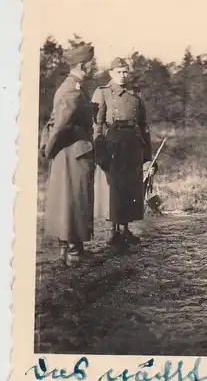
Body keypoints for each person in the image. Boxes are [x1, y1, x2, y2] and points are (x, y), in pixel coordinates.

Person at [41, 44, 95, 266]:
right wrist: (49, 148)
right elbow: (61, 124)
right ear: (83, 65)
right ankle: (73, 252)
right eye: (92, 62)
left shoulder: (71, 86)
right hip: (74, 151)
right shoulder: (73, 89)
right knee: (76, 199)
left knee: (68, 199)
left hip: (68, 151)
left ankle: (69, 249)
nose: (94, 66)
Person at [92, 57, 153, 245]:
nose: (122, 75)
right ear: (111, 73)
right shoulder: (102, 93)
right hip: (112, 143)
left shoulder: (135, 94)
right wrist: (98, 147)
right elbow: (97, 124)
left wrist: (147, 155)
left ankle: (126, 229)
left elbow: (144, 125)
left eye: (125, 72)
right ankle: (113, 231)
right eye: (118, 72)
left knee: (130, 188)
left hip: (133, 145)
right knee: (114, 188)